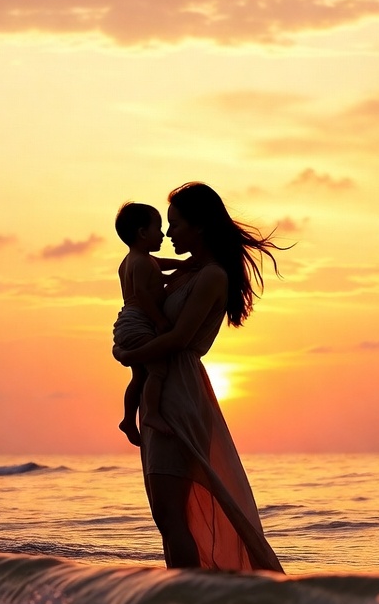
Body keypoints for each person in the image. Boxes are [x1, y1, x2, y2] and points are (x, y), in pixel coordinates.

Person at [113, 183, 285, 573]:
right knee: (167, 516)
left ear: (200, 226)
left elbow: (179, 338)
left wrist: (128, 355)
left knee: (171, 515)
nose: (169, 233)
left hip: (179, 392)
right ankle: (184, 594)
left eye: (175, 224)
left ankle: (187, 592)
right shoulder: (187, 271)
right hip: (162, 386)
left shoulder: (212, 276)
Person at [113, 202, 181, 447]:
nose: (163, 234)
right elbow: (142, 292)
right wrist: (159, 320)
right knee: (158, 369)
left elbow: (159, 266)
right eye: (158, 228)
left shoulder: (135, 260)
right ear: (143, 233)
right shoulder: (142, 262)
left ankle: (128, 420)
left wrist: (182, 265)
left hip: (127, 323)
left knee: (140, 374)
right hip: (138, 323)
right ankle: (151, 413)